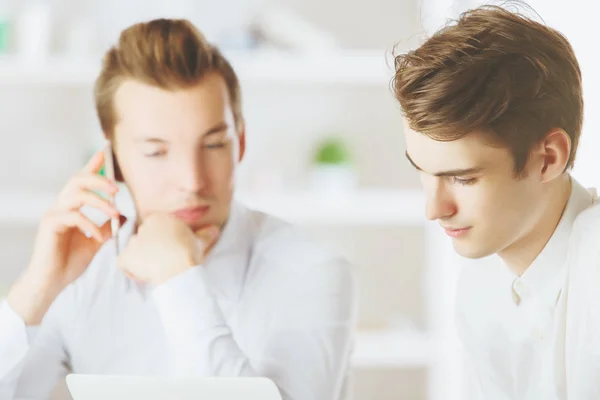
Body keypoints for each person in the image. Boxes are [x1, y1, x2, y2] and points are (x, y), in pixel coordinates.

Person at [0, 18, 356, 400]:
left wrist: (178, 278)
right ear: (112, 159)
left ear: (241, 142)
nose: (191, 180)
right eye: (156, 151)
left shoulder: (313, 271)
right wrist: (37, 290)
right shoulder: (84, 275)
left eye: (214, 145)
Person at [392, 4, 599, 399]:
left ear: (548, 158)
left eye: (463, 178)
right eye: (422, 172)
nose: (434, 209)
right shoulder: (480, 292)